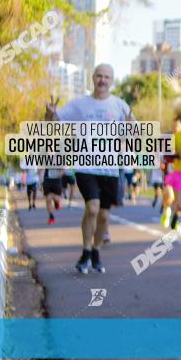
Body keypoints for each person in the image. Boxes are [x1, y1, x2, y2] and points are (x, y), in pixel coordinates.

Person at [45, 63, 134, 274]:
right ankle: (86, 251)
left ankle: (95, 251)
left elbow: (135, 134)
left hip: (110, 169)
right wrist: (49, 113)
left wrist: (130, 128)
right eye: (98, 76)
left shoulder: (120, 106)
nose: (102, 80)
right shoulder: (79, 104)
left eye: (106, 77)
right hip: (85, 165)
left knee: (103, 215)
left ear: (111, 81)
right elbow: (53, 122)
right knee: (92, 208)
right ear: (92, 78)